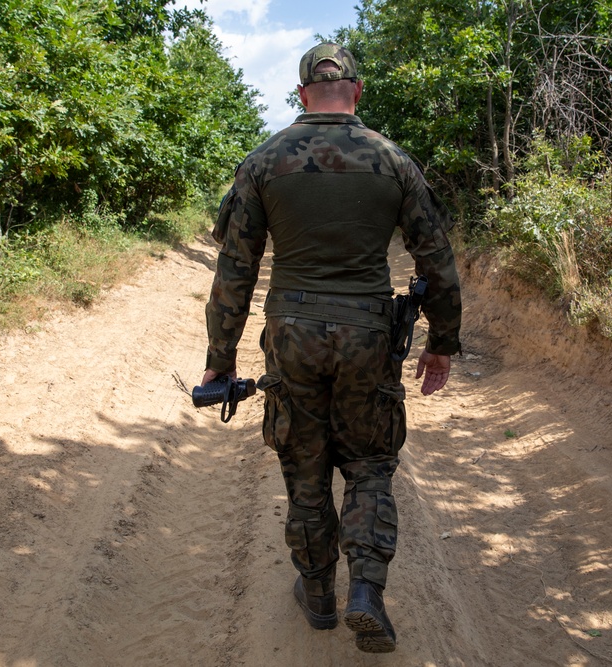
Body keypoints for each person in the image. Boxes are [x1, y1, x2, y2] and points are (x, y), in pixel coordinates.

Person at [201, 42, 462, 653]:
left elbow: (235, 268)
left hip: (292, 337)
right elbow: (438, 263)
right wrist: (441, 343)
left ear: (301, 95)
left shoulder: (264, 161)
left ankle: (317, 593)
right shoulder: (393, 161)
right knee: (370, 464)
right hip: (369, 334)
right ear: (357, 91)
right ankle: (366, 591)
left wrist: (221, 357)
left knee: (305, 464)